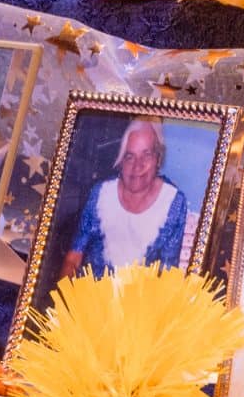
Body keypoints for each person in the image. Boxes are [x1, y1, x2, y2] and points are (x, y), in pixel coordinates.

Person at [58, 119, 189, 284]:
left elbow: (167, 275)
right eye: (129, 157)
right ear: (121, 162)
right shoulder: (100, 193)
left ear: (158, 158)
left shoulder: (173, 202)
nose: (137, 166)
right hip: (91, 294)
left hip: (140, 298)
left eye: (146, 155)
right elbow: (73, 259)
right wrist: (66, 295)